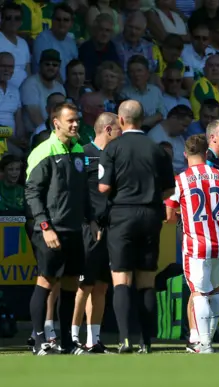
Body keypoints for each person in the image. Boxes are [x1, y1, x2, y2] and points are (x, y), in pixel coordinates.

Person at [98, 100, 175, 353]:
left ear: (121, 120)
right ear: (142, 120)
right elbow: (170, 188)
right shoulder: (157, 149)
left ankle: (124, 339)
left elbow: (104, 187)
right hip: (151, 216)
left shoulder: (113, 148)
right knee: (146, 281)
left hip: (122, 215)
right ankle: (146, 342)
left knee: (121, 279)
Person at [25, 102, 99, 355]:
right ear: (56, 123)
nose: (76, 124)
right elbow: (32, 194)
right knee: (46, 281)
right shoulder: (43, 151)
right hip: (50, 229)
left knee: (70, 285)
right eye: (70, 120)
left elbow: (83, 191)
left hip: (74, 229)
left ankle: (67, 341)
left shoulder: (78, 149)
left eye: (77, 119)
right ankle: (38, 340)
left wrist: (91, 218)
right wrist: (45, 227)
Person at [166, 134, 219, 354]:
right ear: (206, 153)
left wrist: (185, 219)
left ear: (185, 154)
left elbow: (170, 215)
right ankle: (207, 340)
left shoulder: (180, 180)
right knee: (215, 292)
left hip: (196, 244)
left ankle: (204, 343)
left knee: (199, 292)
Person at [70, 112, 122, 353]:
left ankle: (94, 340)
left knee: (101, 285)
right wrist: (87, 221)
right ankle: (72, 337)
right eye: (120, 130)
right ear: (109, 130)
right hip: (87, 228)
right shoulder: (83, 152)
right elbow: (74, 192)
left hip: (109, 228)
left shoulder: (115, 157)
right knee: (84, 285)